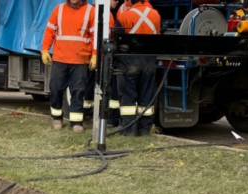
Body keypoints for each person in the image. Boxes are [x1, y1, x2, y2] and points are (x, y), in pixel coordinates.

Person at [41, 0, 102, 133]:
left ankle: (76, 122)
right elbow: (50, 30)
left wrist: (95, 54)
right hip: (60, 58)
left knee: (78, 91)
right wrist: (45, 49)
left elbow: (95, 36)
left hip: (80, 60)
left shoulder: (90, 11)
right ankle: (57, 118)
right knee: (55, 88)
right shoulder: (59, 9)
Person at [116, 0, 160, 136]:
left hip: (130, 59)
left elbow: (118, 40)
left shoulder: (124, 16)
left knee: (128, 94)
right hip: (149, 58)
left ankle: (128, 130)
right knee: (146, 94)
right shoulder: (155, 15)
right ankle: (144, 129)